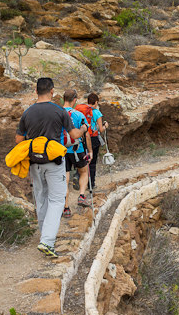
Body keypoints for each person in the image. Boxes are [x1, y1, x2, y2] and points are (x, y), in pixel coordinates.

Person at [15, 78, 87, 257]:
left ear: (35, 91)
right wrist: (84, 129)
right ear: (52, 91)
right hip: (54, 161)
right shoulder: (59, 110)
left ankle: (44, 237)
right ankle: (47, 242)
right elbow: (74, 134)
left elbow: (18, 140)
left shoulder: (28, 112)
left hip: (34, 162)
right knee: (57, 199)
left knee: (41, 198)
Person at [62, 89, 93, 217]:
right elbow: (86, 135)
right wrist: (90, 151)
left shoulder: (57, 113)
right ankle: (81, 195)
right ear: (74, 100)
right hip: (77, 149)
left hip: (61, 150)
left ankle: (66, 208)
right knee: (84, 172)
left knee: (65, 179)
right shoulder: (79, 115)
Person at [77, 93, 109, 189]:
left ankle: (79, 180)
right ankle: (91, 184)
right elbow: (101, 129)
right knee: (92, 162)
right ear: (96, 102)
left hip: (82, 138)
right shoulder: (97, 113)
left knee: (83, 160)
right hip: (93, 139)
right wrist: (105, 125)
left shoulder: (82, 111)